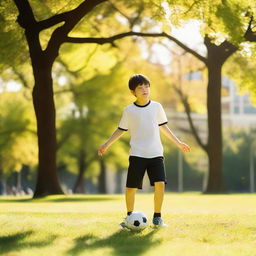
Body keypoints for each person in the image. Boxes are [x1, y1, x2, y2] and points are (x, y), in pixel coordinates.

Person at [98, 74, 191, 227]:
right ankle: (129, 217)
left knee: (160, 184)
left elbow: (164, 128)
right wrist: (106, 144)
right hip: (137, 155)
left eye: (146, 86)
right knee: (130, 188)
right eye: (140, 88)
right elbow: (121, 130)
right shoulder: (129, 110)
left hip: (156, 154)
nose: (144, 90)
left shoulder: (157, 107)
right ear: (133, 92)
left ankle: (157, 217)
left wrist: (179, 142)